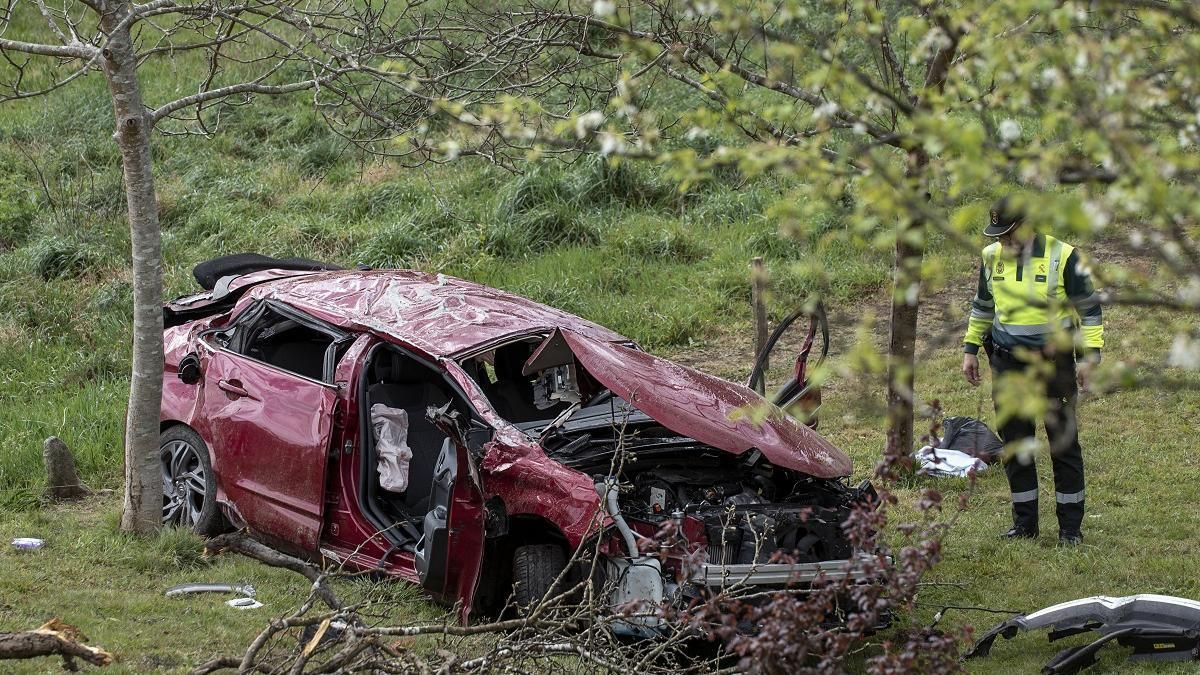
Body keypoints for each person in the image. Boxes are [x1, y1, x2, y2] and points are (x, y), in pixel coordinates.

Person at [961, 196, 1104, 546]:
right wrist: (970, 349)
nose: (1002, 243)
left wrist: (1090, 356)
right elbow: (983, 306)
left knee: (1062, 445)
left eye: (1008, 235)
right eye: (998, 236)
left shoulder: (1064, 256)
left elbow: (1089, 310)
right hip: (1008, 364)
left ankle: (1070, 529)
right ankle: (1025, 524)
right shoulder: (991, 256)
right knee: (1016, 444)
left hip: (1053, 366)